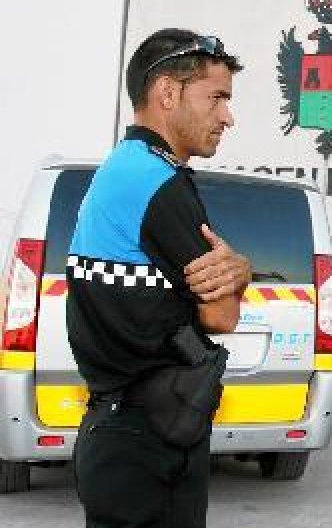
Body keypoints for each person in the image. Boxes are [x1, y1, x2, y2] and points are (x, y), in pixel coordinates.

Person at [66, 28, 252, 527]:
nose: (227, 117)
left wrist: (237, 272)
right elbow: (221, 314)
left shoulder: (123, 168)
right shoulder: (158, 182)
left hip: (120, 432)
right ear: (167, 93)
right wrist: (240, 274)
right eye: (217, 98)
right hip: (147, 442)